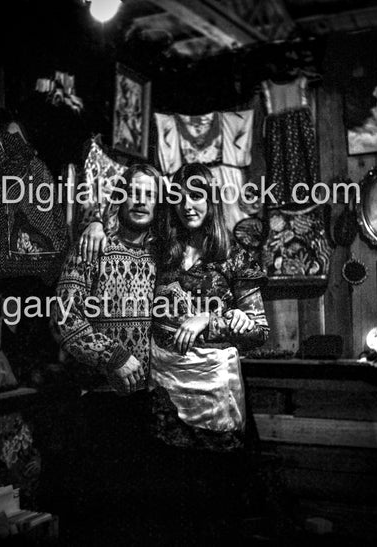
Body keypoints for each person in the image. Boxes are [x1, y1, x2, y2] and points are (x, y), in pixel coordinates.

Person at [147, 162, 270, 542]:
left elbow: (260, 330)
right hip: (164, 398)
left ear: (211, 201)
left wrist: (207, 321)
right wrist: (98, 226)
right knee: (173, 512)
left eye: (197, 195)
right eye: (179, 196)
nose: (188, 205)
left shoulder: (233, 255)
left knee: (217, 513)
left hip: (215, 401)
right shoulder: (159, 252)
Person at [52, 163, 161, 544]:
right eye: (135, 192)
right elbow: (64, 316)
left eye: (150, 194)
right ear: (121, 196)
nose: (141, 201)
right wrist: (113, 357)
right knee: (96, 518)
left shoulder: (165, 256)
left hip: (152, 405)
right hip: (98, 402)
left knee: (139, 520)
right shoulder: (91, 247)